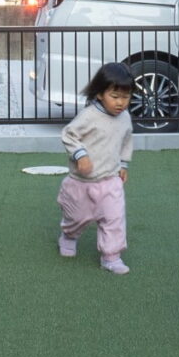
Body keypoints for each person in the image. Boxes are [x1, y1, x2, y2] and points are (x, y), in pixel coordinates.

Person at [56, 62, 137, 274]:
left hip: (110, 181)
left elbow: (126, 140)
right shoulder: (89, 116)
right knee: (77, 218)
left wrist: (123, 164)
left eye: (126, 97)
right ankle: (69, 235)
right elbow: (69, 134)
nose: (121, 103)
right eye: (115, 96)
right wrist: (80, 155)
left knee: (114, 219)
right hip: (82, 181)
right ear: (100, 93)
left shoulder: (125, 118)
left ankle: (111, 256)